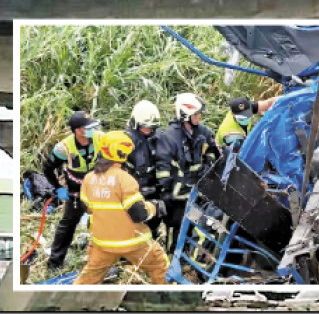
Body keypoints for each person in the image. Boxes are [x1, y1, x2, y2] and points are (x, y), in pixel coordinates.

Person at [74, 131, 169, 284]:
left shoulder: (89, 178)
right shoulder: (124, 179)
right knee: (160, 266)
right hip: (133, 242)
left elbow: (87, 208)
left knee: (88, 279)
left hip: (102, 244)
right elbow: (139, 214)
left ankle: (72, 302)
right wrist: (155, 207)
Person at [155, 92, 221, 253]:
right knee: (176, 226)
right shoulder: (169, 138)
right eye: (196, 114)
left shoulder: (202, 132)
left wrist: (208, 165)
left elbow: (213, 151)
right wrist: (182, 190)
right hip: (177, 196)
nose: (199, 118)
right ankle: (172, 257)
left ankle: (191, 257)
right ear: (185, 115)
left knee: (199, 225)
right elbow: (163, 175)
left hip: (198, 190)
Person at [42, 111, 102, 271]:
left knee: (106, 222)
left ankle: (107, 259)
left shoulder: (100, 139)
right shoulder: (64, 148)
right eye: (87, 127)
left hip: (99, 189)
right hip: (77, 192)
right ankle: (54, 264)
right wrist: (58, 188)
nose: (91, 130)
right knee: (67, 225)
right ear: (78, 130)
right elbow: (48, 169)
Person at [123, 100, 164, 237]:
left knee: (154, 221)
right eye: (144, 127)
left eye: (151, 127)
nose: (148, 130)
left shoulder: (159, 137)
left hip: (154, 189)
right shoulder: (125, 142)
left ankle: (153, 236)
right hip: (133, 191)